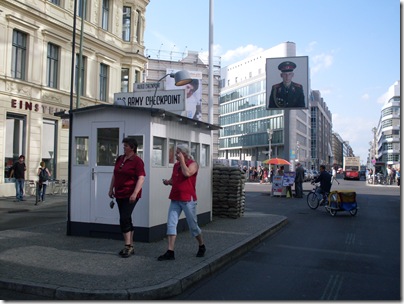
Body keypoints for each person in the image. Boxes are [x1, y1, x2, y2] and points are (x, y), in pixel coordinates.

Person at [158, 144, 206, 261]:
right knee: (171, 224)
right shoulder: (176, 166)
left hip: (187, 199)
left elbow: (187, 173)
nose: (176, 154)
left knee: (193, 225)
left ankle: (201, 245)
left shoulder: (193, 164)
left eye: (178, 152)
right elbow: (174, 180)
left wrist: (183, 161)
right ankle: (170, 251)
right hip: (175, 198)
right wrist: (167, 182)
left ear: (184, 153)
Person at [108, 137, 146, 258]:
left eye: (126, 146)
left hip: (131, 194)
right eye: (123, 145)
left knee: (124, 218)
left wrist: (135, 193)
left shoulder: (137, 161)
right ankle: (130, 246)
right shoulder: (120, 158)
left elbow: (141, 178)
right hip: (119, 193)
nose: (124, 147)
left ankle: (128, 245)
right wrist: (111, 188)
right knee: (126, 218)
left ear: (132, 147)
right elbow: (115, 174)